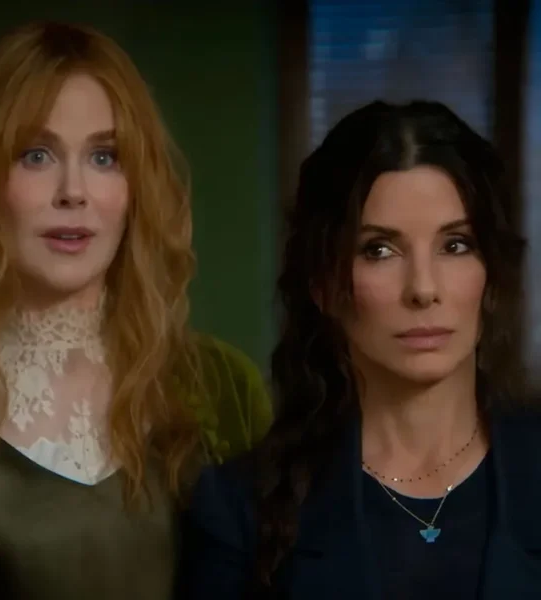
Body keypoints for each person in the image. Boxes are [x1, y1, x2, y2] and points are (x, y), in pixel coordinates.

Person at [176, 101, 541, 600]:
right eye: (379, 250)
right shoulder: (240, 511)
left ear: (491, 273)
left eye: (455, 245)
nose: (423, 288)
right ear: (323, 284)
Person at [0, 21, 272, 599]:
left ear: (136, 184)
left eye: (104, 156)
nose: (73, 191)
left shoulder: (221, 386)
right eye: (36, 155)